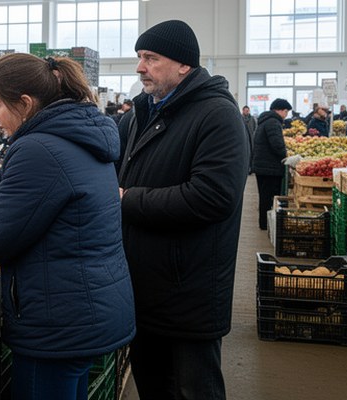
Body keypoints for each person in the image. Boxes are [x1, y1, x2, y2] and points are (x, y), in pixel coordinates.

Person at [0, 53, 133, 400]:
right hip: (87, 309)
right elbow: (61, 186)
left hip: (57, 323)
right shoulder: (81, 133)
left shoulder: (36, 147)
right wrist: (1, 183)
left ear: (25, 103)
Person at [115, 20, 250, 400]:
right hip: (144, 284)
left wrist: (127, 199)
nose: (140, 67)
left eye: (151, 58)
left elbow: (212, 197)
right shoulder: (141, 114)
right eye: (140, 57)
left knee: (194, 389)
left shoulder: (217, 116)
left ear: (184, 65)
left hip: (189, 288)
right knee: (153, 385)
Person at [252, 99, 292, 231]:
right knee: (268, 197)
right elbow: (277, 144)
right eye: (285, 111)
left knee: (264, 196)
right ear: (278, 110)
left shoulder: (265, 121)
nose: (286, 115)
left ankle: (264, 223)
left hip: (262, 165)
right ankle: (266, 224)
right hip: (270, 167)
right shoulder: (273, 123)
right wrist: (286, 154)